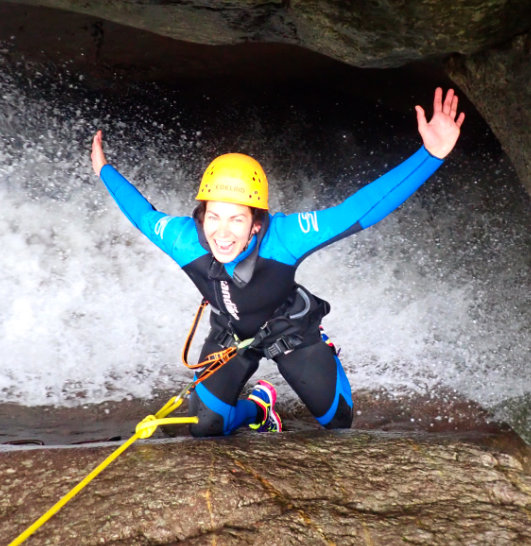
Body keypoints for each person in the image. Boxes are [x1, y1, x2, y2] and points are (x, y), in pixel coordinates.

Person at [91, 87, 465, 437]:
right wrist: (104, 169)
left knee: (338, 422)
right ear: (201, 216)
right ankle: (260, 410)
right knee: (206, 428)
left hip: (289, 330)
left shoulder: (285, 237)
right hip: (230, 335)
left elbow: (357, 212)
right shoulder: (183, 239)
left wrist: (430, 156)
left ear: (256, 223)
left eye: (237, 219)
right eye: (214, 217)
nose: (223, 233)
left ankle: (323, 348)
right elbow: (141, 214)